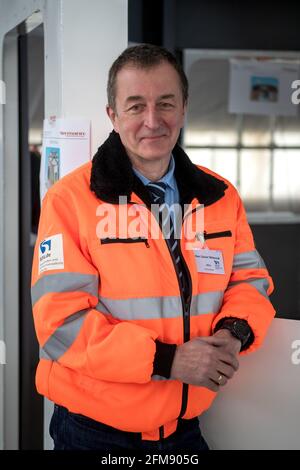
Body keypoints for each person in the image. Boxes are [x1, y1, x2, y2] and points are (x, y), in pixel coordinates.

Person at [31, 44, 275, 452]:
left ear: (183, 108)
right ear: (113, 115)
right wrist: (168, 360)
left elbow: (250, 280)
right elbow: (60, 324)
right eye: (135, 106)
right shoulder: (69, 200)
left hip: (184, 428)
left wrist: (235, 332)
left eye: (165, 103)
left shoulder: (220, 196)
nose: (152, 121)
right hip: (95, 432)